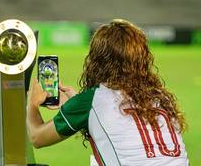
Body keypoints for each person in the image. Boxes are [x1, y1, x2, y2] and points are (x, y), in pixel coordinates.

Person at [26, 19, 189, 165]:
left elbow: (37, 137)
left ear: (98, 60)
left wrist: (32, 103)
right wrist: (76, 104)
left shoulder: (91, 101)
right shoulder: (160, 98)